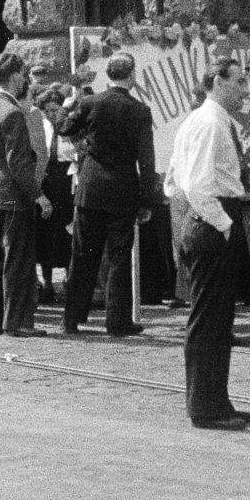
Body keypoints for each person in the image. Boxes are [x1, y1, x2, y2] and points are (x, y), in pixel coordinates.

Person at [166, 58, 250, 430]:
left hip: (208, 219)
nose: (244, 91)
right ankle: (205, 407)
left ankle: (216, 399)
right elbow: (198, 185)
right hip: (211, 220)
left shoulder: (207, 120)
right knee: (209, 320)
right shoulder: (208, 122)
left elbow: (173, 179)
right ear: (217, 81)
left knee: (219, 320)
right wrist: (223, 225)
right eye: (238, 82)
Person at [61, 53, 158, 336]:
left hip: (91, 189)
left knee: (82, 256)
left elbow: (64, 128)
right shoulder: (139, 110)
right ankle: (117, 321)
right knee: (118, 257)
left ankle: (72, 318)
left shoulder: (91, 103)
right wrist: (146, 199)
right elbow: (147, 160)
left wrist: (67, 105)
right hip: (122, 191)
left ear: (108, 74)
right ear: (132, 75)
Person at [0, 53, 49, 337]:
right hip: (13, 196)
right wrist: (38, 195)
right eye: (23, 75)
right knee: (17, 259)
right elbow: (19, 163)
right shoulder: (13, 112)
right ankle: (17, 321)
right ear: (16, 77)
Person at [34, 84, 75, 306]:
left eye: (54, 109)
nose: (50, 114)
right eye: (47, 110)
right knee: (45, 233)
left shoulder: (68, 127)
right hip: (47, 179)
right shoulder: (41, 128)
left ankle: (69, 281)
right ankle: (48, 283)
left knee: (67, 232)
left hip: (66, 179)